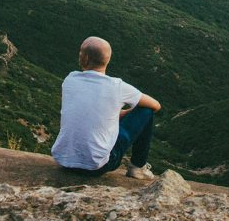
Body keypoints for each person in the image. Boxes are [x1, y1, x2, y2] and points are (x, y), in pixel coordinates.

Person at [51, 36, 162, 179]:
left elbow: (88, 108)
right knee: (146, 111)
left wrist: (116, 113)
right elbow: (156, 105)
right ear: (108, 60)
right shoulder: (117, 86)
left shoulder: (70, 80)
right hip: (96, 167)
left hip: (63, 160)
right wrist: (127, 112)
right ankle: (138, 167)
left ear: (84, 59)